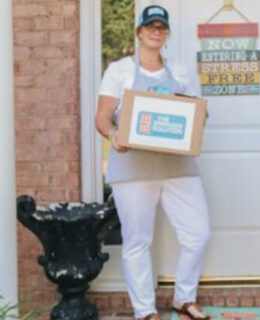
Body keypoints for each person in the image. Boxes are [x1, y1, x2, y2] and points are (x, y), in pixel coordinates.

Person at [95, 5, 210, 320]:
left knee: (197, 234)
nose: (156, 32)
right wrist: (115, 135)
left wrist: (198, 119)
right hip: (132, 170)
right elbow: (103, 119)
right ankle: (145, 310)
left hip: (178, 168)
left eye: (161, 27)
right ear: (139, 32)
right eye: (150, 27)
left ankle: (183, 298)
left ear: (166, 33)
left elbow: (197, 115)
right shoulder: (119, 71)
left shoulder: (181, 72)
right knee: (138, 241)